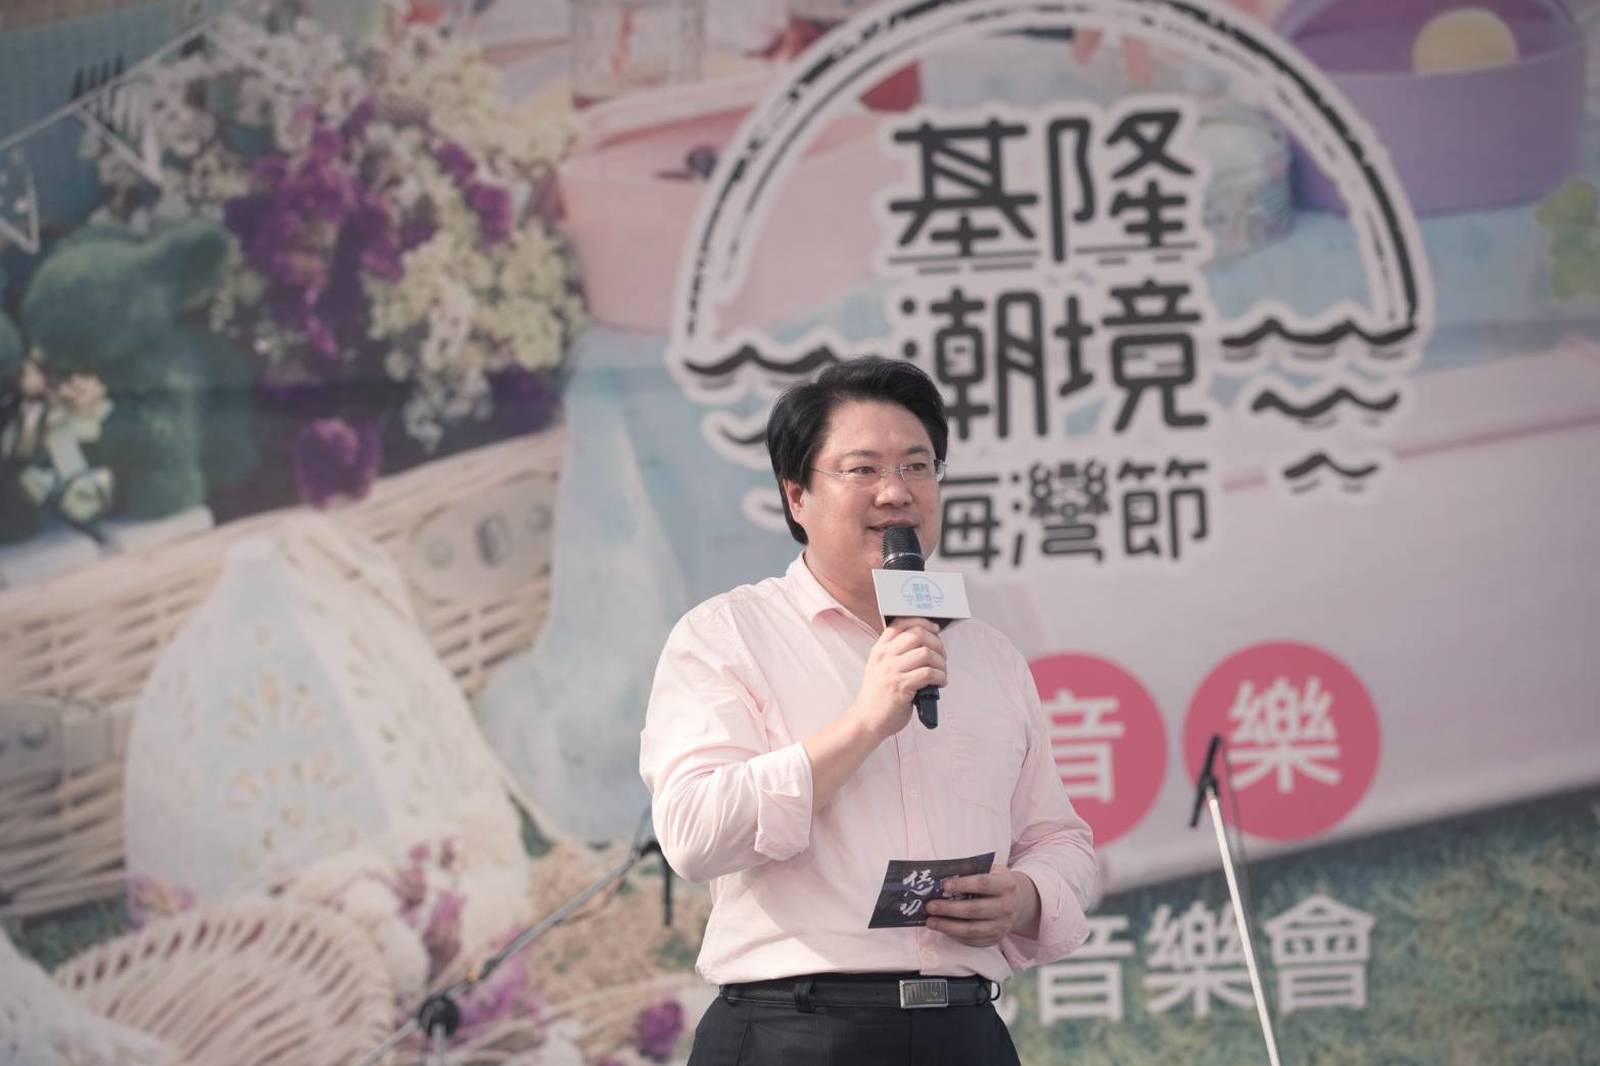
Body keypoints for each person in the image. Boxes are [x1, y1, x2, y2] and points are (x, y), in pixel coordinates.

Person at [640, 357, 1097, 1065]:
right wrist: (863, 724)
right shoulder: (727, 636)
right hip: (796, 1031)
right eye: (863, 470)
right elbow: (696, 834)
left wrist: (1028, 896)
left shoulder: (989, 655)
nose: (896, 492)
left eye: (918, 466)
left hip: (963, 1031)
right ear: (797, 495)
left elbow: (1060, 839)